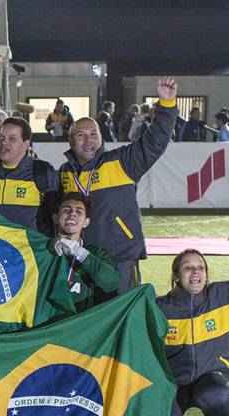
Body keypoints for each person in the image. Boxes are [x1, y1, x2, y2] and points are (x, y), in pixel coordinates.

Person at [59, 78, 179, 292]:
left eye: (93, 134)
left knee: (122, 313)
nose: (89, 141)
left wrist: (167, 106)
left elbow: (155, 142)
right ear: (70, 140)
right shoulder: (65, 173)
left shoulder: (122, 162)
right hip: (80, 256)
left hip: (120, 256)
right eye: (81, 135)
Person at [156, 249, 229, 416]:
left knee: (219, 395)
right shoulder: (159, 308)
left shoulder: (222, 295)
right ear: (176, 276)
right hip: (175, 384)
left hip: (214, 378)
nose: (196, 272)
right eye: (188, 268)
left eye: (200, 267)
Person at [0, 117, 59, 235]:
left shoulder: (41, 171)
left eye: (12, 139)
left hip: (30, 249)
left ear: (26, 144)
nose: (4, 142)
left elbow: (55, 216)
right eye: (1, 138)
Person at [50, 193, 119, 311]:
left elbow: (111, 283)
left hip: (82, 323)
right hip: (48, 323)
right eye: (66, 210)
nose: (72, 214)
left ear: (86, 222)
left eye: (79, 212)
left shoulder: (96, 253)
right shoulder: (43, 251)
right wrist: (51, 246)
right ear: (55, 218)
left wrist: (80, 253)